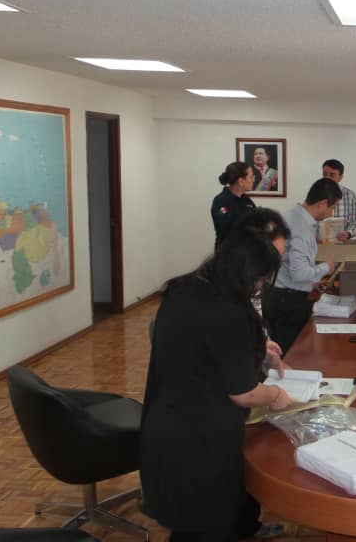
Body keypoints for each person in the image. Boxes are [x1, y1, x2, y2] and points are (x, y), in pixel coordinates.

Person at [141, 208, 294, 542]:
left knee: (201, 520)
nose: (260, 286)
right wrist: (275, 395)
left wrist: (255, 349)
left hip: (168, 424)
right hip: (199, 439)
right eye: (259, 279)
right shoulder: (229, 311)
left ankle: (244, 528)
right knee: (205, 527)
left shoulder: (187, 288)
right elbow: (244, 393)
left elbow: (204, 347)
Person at [264, 178, 342, 356]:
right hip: (287, 302)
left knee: (278, 352)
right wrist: (327, 267)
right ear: (323, 203)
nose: (332, 212)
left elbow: (289, 265)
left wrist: (312, 282)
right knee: (291, 355)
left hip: (275, 294)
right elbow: (299, 274)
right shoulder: (302, 228)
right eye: (332, 207)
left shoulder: (290, 215)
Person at [211, 161, 255, 250]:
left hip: (246, 252)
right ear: (241, 181)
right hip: (227, 253)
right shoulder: (221, 202)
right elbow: (226, 228)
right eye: (251, 177)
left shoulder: (247, 201)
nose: (253, 180)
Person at [322, 159, 356, 241]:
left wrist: (348, 233)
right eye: (325, 174)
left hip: (343, 241)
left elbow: (355, 222)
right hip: (320, 241)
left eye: (332, 175)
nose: (327, 178)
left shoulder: (350, 196)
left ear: (340, 177)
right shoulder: (315, 194)